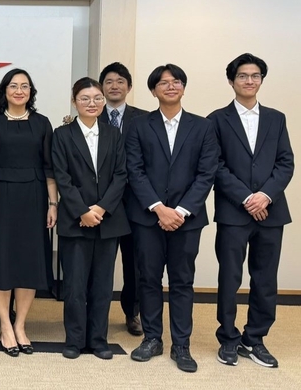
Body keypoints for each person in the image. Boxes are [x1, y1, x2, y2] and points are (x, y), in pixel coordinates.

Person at [126, 64, 219, 373]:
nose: (170, 86)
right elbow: (134, 170)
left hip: (187, 220)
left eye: (176, 81)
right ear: (153, 90)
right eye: (163, 83)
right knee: (149, 279)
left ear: (183, 87)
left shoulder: (203, 126)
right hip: (148, 218)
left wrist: (179, 211)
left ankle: (182, 344)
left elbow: (206, 174)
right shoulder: (138, 125)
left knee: (182, 281)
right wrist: (158, 207)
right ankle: (152, 338)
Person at [208, 53, 293, 368]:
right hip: (233, 211)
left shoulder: (276, 118)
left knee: (265, 278)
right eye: (242, 76)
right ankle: (228, 338)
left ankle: (254, 338)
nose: (249, 81)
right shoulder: (216, 119)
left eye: (255, 75)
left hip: (272, 212)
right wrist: (247, 198)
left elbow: (285, 162)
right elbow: (215, 166)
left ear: (261, 80)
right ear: (231, 81)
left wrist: (265, 196)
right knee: (229, 277)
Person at [0, 68, 57, 356]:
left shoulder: (42, 123)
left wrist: (53, 203)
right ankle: (4, 324)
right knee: (2, 260)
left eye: (25, 86)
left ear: (31, 91)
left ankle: (20, 324)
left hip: (34, 197)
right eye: (13, 86)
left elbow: (50, 168)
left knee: (29, 261)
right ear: (4, 91)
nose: (19, 90)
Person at [52, 77, 130, 360]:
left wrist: (101, 209)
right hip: (75, 221)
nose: (92, 103)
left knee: (102, 285)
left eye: (97, 98)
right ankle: (74, 339)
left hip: (108, 221)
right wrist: (83, 210)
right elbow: (62, 177)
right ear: (74, 102)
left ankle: (98, 339)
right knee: (74, 285)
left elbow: (122, 175)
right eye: (85, 98)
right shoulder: (61, 135)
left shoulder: (114, 134)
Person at [97, 62, 147, 336]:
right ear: (101, 87)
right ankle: (96, 314)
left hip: (134, 205)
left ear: (129, 86)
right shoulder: (90, 115)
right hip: (100, 205)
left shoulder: (145, 118)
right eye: (108, 81)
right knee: (100, 265)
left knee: (135, 264)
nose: (114, 86)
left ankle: (132, 312)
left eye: (120, 81)